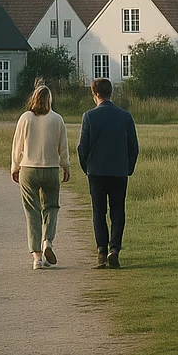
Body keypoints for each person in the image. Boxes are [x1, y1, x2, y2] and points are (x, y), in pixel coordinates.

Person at [77, 77, 140, 269]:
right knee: (118, 211)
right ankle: (115, 248)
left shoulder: (89, 116)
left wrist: (86, 167)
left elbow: (82, 147)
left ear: (95, 94)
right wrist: (128, 168)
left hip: (96, 171)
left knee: (99, 211)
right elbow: (133, 147)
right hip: (119, 170)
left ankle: (101, 252)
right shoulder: (125, 116)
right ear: (110, 92)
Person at [10, 80, 70, 270]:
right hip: (51, 168)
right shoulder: (57, 119)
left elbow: (17, 145)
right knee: (51, 207)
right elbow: (63, 146)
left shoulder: (25, 118)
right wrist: (65, 166)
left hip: (29, 168)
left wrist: (15, 167)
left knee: (32, 211)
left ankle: (36, 256)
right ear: (50, 100)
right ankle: (48, 242)